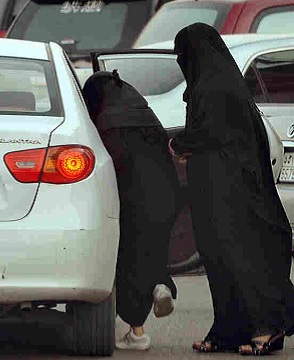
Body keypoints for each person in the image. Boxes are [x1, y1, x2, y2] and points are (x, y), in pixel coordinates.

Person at [168, 23, 292, 355]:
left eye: (184, 54)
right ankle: (228, 329)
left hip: (233, 191)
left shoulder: (218, 88)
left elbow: (212, 133)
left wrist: (179, 144)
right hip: (211, 190)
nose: (181, 60)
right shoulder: (207, 85)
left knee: (243, 257)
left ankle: (268, 328)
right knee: (219, 260)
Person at [82, 70, 180, 351]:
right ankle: (160, 284)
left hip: (133, 199)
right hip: (168, 195)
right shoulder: (145, 115)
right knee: (153, 251)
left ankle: (137, 333)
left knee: (126, 260)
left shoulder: (108, 124)